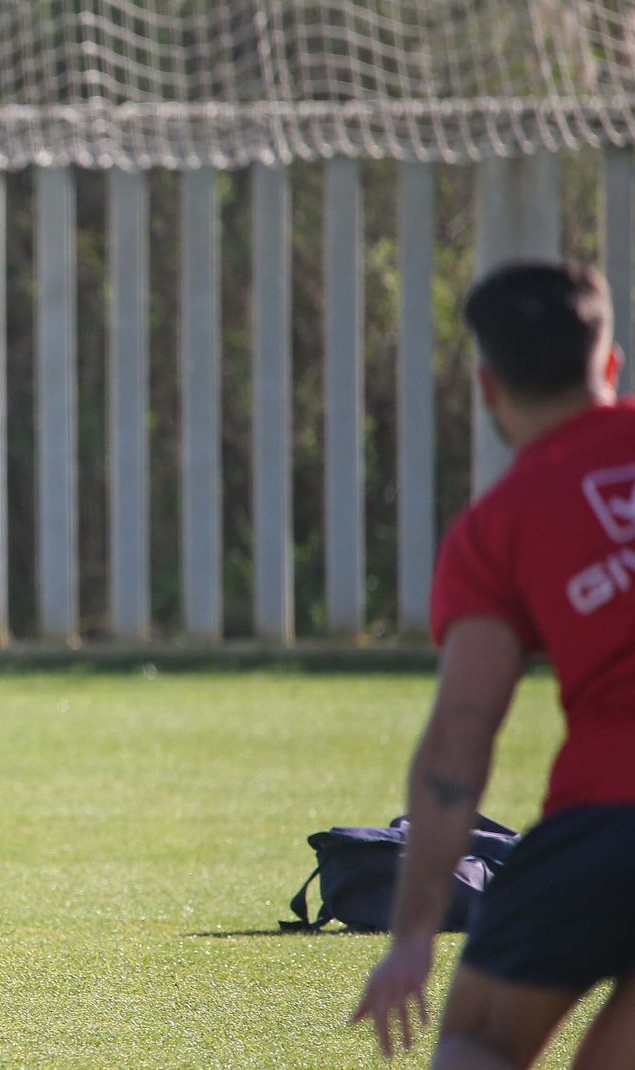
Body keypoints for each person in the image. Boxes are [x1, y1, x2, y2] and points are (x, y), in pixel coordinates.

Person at [352, 261, 635, 1066]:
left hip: (607, 819)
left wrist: (411, 934)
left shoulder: (499, 527)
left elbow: (459, 741)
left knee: (479, 1041)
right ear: (609, 365)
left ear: (488, 389)